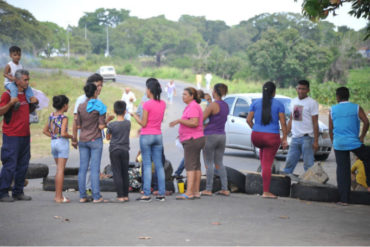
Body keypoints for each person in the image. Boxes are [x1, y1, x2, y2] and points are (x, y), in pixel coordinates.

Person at [0, 69, 37, 202]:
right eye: (25, 80)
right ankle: (3, 192)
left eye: (28, 79)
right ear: (17, 80)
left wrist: (34, 103)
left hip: (25, 135)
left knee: (23, 164)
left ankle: (18, 191)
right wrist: (10, 103)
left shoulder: (27, 95)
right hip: (11, 135)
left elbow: (28, 111)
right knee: (10, 164)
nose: (27, 82)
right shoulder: (8, 94)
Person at [247, 81, 288, 199]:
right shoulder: (279, 104)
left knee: (263, 156)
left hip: (256, 136)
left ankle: (265, 186)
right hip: (271, 137)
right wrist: (284, 138)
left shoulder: (255, 103)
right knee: (266, 165)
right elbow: (283, 123)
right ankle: (266, 191)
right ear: (274, 92)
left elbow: (248, 120)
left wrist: (256, 129)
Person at [329, 87, 369, 205]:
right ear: (348, 96)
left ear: (337, 97)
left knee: (342, 170)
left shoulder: (332, 109)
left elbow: (331, 129)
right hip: (354, 143)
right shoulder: (356, 107)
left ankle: (344, 200)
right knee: (367, 158)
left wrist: (334, 142)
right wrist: (362, 136)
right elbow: (366, 122)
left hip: (339, 143)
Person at [131, 78, 167, 202]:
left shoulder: (147, 104)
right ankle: (161, 193)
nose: (145, 91)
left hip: (146, 136)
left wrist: (134, 115)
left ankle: (146, 194)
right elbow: (160, 120)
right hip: (158, 135)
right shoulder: (163, 103)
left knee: (146, 165)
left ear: (150, 90)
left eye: (146, 88)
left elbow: (143, 123)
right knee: (159, 165)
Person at [76, 83, 112, 203]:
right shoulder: (100, 106)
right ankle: (96, 196)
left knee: (83, 168)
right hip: (95, 139)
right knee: (95, 169)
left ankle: (82, 196)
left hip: (83, 139)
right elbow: (101, 126)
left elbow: (79, 125)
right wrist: (107, 122)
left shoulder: (80, 106)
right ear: (95, 92)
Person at [170, 87, 205, 200]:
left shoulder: (193, 106)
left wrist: (179, 120)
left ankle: (189, 192)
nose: (183, 96)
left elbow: (194, 122)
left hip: (192, 139)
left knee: (190, 166)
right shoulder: (192, 106)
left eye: (185, 94)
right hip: (194, 138)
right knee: (196, 166)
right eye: (182, 94)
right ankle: (195, 191)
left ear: (191, 96)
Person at [72, 73, 104, 197]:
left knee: (86, 167)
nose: (100, 88)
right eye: (98, 85)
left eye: (101, 85)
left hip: (84, 137)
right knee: (92, 167)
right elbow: (75, 120)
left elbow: (78, 121)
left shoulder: (97, 101)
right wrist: (74, 138)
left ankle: (84, 193)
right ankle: (94, 194)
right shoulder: (81, 100)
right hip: (93, 138)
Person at [282, 80, 319, 175]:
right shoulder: (293, 101)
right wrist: (285, 137)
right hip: (295, 138)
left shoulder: (312, 103)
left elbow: (315, 123)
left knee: (308, 166)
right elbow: (291, 120)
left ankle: (311, 186)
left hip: (307, 138)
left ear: (308, 90)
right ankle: (283, 186)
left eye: (303, 89)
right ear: (296, 89)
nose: (301, 91)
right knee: (289, 164)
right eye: (299, 88)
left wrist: (315, 141)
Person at [201, 83, 230, 197]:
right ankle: (225, 188)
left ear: (215, 92)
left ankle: (208, 189)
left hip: (210, 135)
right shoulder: (226, 105)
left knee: (209, 163)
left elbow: (202, 119)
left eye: (213, 90)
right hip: (222, 136)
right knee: (219, 163)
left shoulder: (213, 105)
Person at [42, 95, 73, 203]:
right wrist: (71, 136)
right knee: (61, 171)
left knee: (58, 170)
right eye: (67, 104)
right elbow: (64, 133)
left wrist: (53, 136)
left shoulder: (51, 116)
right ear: (64, 106)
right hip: (62, 143)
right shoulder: (64, 118)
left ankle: (58, 195)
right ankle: (58, 197)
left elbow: (44, 130)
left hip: (53, 143)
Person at [106, 101, 131, 202]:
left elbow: (108, 138)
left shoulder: (111, 125)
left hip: (114, 150)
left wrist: (107, 123)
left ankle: (120, 196)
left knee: (117, 172)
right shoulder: (128, 123)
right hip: (125, 150)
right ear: (125, 111)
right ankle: (125, 195)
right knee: (125, 172)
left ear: (114, 111)